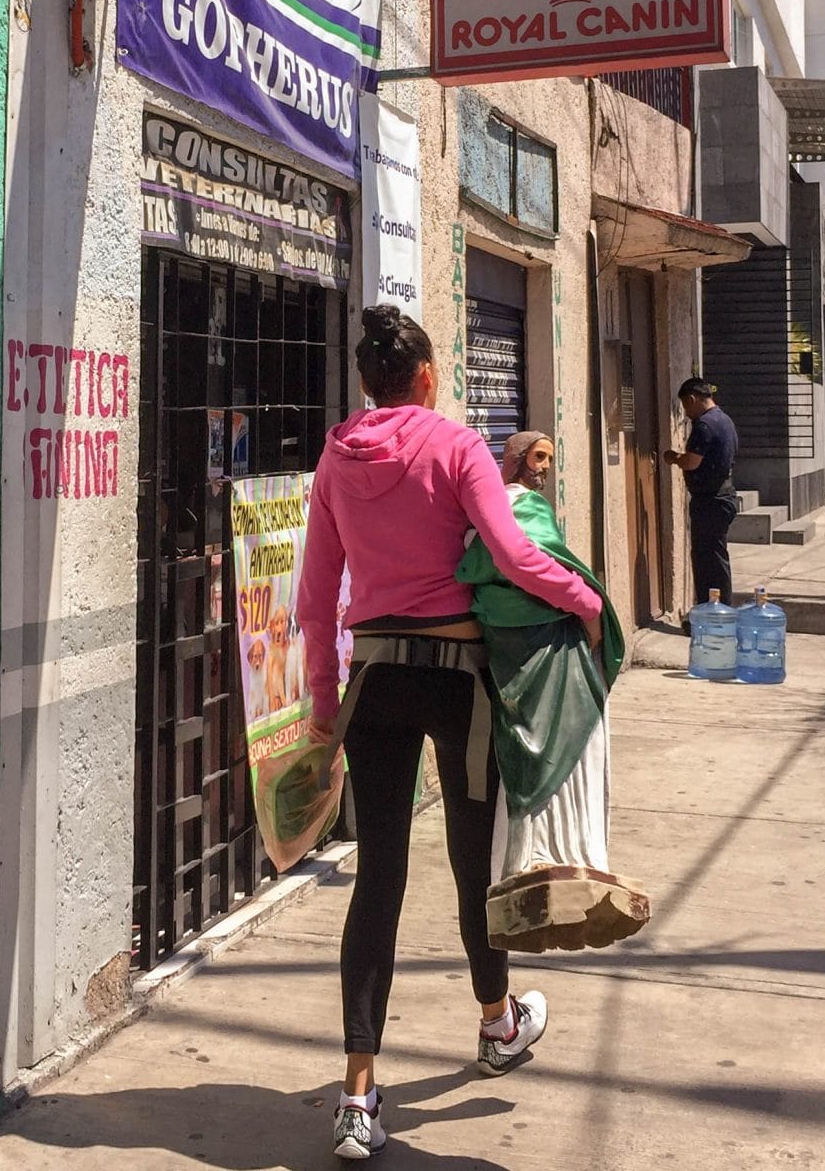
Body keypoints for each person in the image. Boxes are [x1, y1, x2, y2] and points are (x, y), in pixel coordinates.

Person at [297, 307, 602, 1161]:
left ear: (367, 383)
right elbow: (510, 553)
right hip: (459, 681)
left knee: (379, 878)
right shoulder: (459, 445)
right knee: (477, 861)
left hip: (376, 680)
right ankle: (498, 1024)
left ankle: (358, 1096)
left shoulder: (335, 457)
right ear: (426, 376)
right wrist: (585, 601)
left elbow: (317, 595)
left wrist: (326, 701)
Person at [457, 432, 648, 954]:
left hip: (514, 647)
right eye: (537, 457)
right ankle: (563, 858)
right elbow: (533, 565)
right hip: (550, 650)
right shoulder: (523, 508)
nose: (543, 468)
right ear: (515, 461)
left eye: (548, 459)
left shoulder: (486, 516)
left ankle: (536, 860)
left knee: (531, 753)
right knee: (572, 746)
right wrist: (588, 608)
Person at [662, 377, 739, 605]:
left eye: (686, 406)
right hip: (723, 496)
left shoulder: (704, 425)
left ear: (692, 399)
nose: (686, 413)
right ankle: (718, 609)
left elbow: (692, 462)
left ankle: (713, 611)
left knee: (707, 561)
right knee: (716, 557)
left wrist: (674, 457)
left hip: (710, 501)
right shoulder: (725, 420)